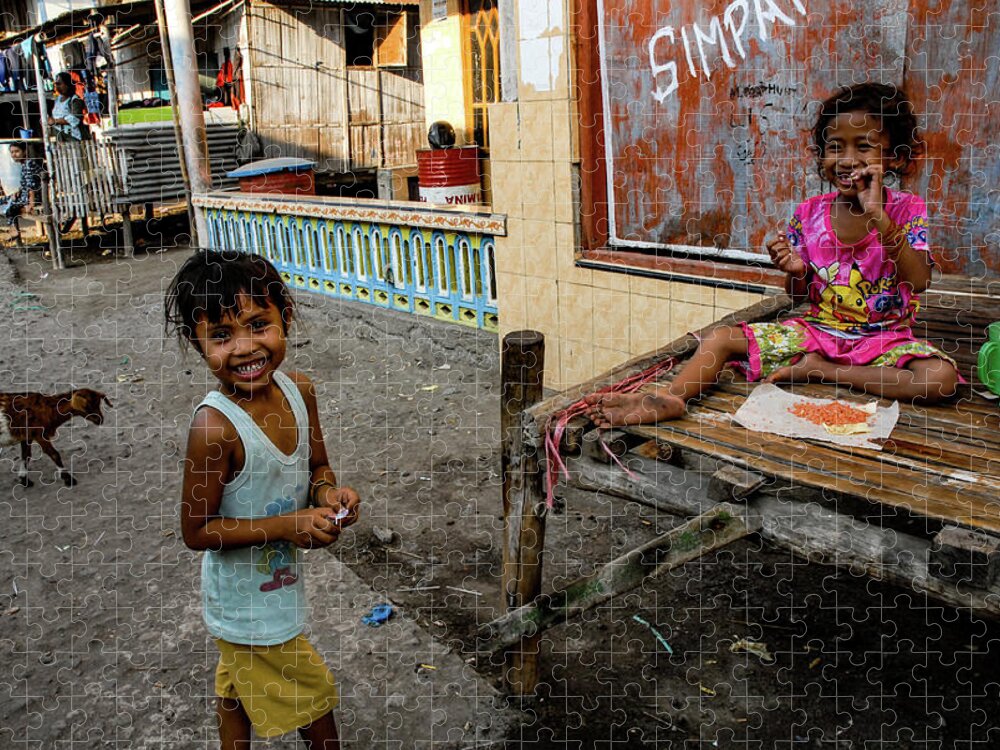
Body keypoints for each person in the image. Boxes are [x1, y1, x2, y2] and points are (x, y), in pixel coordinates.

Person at [585, 82, 960, 428]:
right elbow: (798, 297)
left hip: (883, 338)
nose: (847, 159)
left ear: (893, 157)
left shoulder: (907, 209)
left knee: (940, 380)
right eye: (835, 147)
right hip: (816, 332)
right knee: (719, 339)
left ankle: (822, 372)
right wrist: (796, 270)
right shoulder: (808, 214)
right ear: (822, 156)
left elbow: (919, 281)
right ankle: (669, 399)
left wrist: (879, 216)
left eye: (863, 146)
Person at [165, 250, 360, 749]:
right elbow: (196, 532)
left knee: (234, 692)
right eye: (222, 335)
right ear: (197, 343)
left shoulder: (300, 392)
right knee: (316, 701)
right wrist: (288, 526)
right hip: (244, 604)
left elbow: (317, 465)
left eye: (258, 324)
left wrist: (328, 494)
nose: (245, 347)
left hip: (276, 588)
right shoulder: (214, 429)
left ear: (285, 319)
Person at [1, 141, 43, 225]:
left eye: (17, 151)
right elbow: (26, 184)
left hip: (31, 199)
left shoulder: (28, 165)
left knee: (10, 209)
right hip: (23, 196)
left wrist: (31, 204)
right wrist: (18, 191)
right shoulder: (24, 164)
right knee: (3, 201)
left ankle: (15, 235)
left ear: (24, 152)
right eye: (12, 152)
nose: (14, 155)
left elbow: (32, 186)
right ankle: (14, 233)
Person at [49, 71, 86, 142]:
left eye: (59, 84)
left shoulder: (75, 100)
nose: (57, 86)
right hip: (60, 136)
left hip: (73, 136)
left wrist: (56, 121)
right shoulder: (57, 100)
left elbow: (75, 119)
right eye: (56, 84)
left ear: (67, 84)